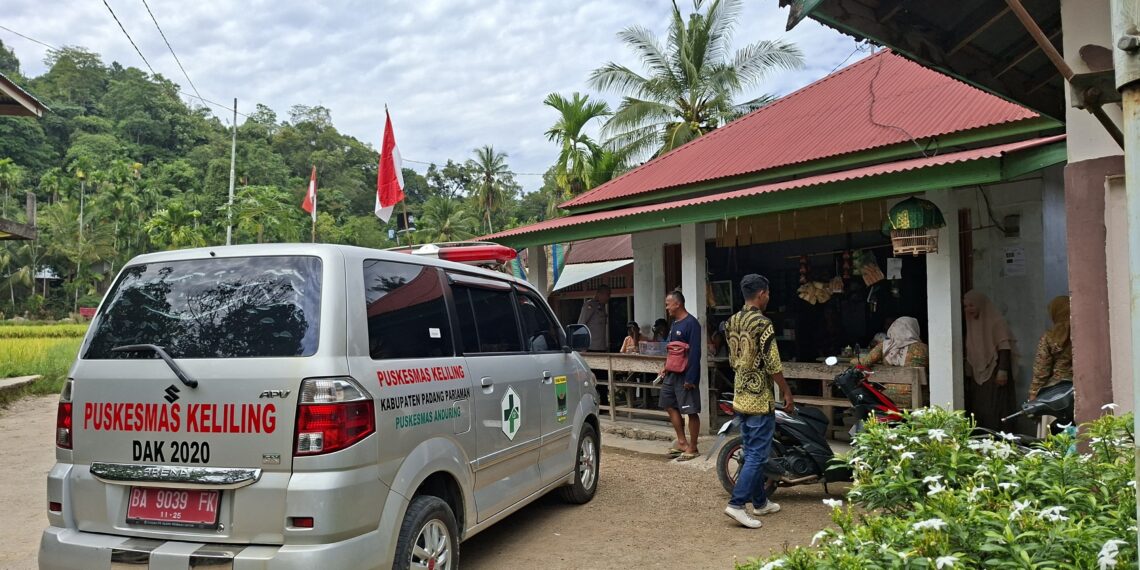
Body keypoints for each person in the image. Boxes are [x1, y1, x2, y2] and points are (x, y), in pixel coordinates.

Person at [724, 274, 795, 529]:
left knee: (750, 450)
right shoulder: (762, 323)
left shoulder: (732, 321)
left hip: (740, 395)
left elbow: (733, 360)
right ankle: (736, 504)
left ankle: (761, 502)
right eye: (768, 293)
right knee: (756, 454)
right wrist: (786, 391)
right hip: (759, 399)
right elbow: (773, 363)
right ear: (762, 293)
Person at [656, 290, 703, 461]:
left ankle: (693, 447)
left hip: (686, 375)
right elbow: (672, 350)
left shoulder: (692, 324)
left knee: (690, 411)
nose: (666, 307)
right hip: (671, 374)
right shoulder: (675, 323)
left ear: (678, 304)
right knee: (668, 404)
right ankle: (682, 442)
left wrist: (691, 378)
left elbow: (695, 353)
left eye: (668, 303)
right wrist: (665, 367)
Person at [963, 290, 1016, 431]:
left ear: (981, 304)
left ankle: (999, 441)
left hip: (995, 372)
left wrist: (1002, 370)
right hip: (977, 374)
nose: (968, 309)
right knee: (980, 409)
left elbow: (1004, 347)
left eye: (972, 305)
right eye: (966, 306)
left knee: (995, 408)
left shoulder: (996, 322)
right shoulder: (970, 323)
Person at [1030, 296, 1072, 436]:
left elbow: (1040, 373)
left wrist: (1033, 399)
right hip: (1078, 392)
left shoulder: (1049, 338)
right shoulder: (1082, 335)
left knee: (1052, 443)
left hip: (1054, 396)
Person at [854, 317, 929, 368]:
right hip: (919, 390)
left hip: (888, 390)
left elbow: (864, 363)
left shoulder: (885, 345)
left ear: (894, 327)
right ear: (914, 329)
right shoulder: (925, 348)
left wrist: (853, 361)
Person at [577, 284, 611, 352]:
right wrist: (582, 347)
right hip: (591, 348)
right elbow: (581, 324)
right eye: (607, 295)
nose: (608, 297)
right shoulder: (590, 305)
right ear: (599, 294)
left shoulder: (602, 307)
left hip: (602, 347)